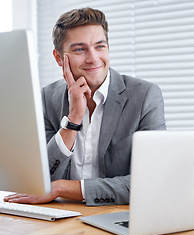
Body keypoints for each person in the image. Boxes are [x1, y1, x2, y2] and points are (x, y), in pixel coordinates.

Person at [4, 7, 166, 206]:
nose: (93, 58)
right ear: (59, 58)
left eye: (100, 46)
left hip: (117, 216)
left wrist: (63, 188)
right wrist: (73, 120)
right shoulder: (48, 97)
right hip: (63, 216)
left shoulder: (145, 96)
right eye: (80, 49)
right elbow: (41, 179)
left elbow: (151, 181)